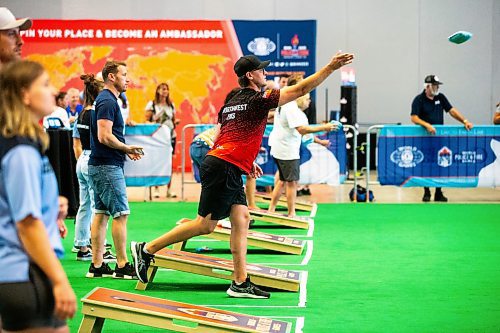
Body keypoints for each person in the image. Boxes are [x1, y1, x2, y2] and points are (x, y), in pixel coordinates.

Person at [131, 51, 354, 298]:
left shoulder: (231, 103)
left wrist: (245, 163)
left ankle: (239, 282)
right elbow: (300, 90)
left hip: (224, 163)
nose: (265, 73)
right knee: (204, 225)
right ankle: (147, 249)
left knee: (242, 217)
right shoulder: (258, 100)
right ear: (250, 75)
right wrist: (330, 67)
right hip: (223, 165)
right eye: (261, 70)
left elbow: (227, 136)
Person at [0, 60, 77, 332]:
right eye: (44, 85)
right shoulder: (20, 151)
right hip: (23, 273)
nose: (53, 90)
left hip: (21, 273)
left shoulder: (24, 144)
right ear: (24, 94)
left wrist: (50, 208)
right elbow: (27, 224)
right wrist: (60, 280)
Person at [87, 60, 143, 279]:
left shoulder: (107, 100)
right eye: (124, 74)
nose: (127, 79)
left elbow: (106, 136)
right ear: (112, 77)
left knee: (101, 215)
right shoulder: (108, 101)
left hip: (102, 164)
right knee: (121, 214)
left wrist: (124, 149)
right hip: (107, 166)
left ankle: (97, 265)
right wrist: (126, 147)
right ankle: (122, 266)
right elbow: (104, 136)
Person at [267, 75, 336, 217]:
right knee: (292, 182)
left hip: (280, 147)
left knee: (281, 180)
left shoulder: (286, 102)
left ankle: (271, 209)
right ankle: (291, 213)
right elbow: (302, 130)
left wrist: (320, 141)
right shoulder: (290, 106)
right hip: (286, 150)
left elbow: (304, 134)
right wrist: (325, 127)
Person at [72, 73, 116, 263]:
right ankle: (101, 248)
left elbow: (76, 144)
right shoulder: (97, 115)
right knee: (99, 207)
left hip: (81, 159)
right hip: (92, 160)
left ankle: (82, 246)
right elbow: (104, 138)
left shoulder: (80, 114)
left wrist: (82, 160)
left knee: (84, 205)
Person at [411, 74, 474, 202]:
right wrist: (427, 125)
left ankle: (438, 192)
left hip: (439, 139)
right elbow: (414, 117)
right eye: (434, 85)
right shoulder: (419, 99)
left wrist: (464, 121)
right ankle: (427, 191)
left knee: (440, 164)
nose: (437, 87)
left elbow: (451, 110)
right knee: (426, 164)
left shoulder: (441, 97)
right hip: (425, 138)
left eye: (438, 85)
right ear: (427, 86)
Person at [145, 82, 180, 198]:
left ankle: (169, 189)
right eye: (163, 89)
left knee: (169, 163)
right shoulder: (152, 105)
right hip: (158, 138)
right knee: (157, 162)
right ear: (158, 90)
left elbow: (174, 120)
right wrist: (155, 122)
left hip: (170, 136)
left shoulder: (171, 105)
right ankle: (156, 189)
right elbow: (146, 121)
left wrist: (176, 122)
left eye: (167, 89)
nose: (165, 91)